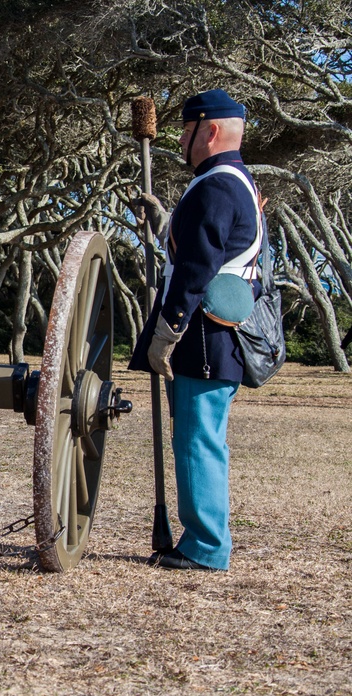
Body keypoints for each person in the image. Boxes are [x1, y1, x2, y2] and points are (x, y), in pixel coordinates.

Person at [130, 89, 261, 572]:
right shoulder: (230, 182)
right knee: (200, 437)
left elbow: (196, 268)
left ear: (209, 131)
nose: (181, 142)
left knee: (196, 439)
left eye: (186, 132)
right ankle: (203, 539)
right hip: (214, 339)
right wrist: (166, 221)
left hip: (203, 338)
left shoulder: (217, 185)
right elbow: (207, 243)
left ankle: (205, 546)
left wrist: (168, 330)